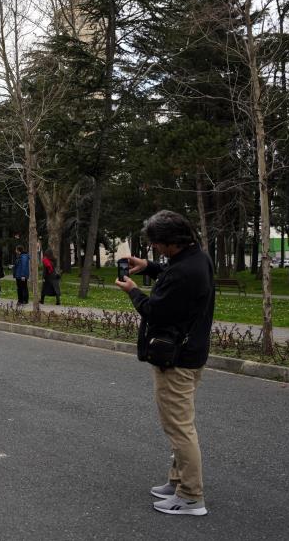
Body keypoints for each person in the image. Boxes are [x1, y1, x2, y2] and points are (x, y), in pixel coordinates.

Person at [114, 210, 214, 517]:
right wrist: (149, 267)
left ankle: (191, 496)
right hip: (190, 352)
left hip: (176, 359)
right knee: (180, 424)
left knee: (179, 428)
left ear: (172, 241)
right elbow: (173, 274)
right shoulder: (196, 259)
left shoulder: (184, 272)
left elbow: (155, 310)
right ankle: (178, 481)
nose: (155, 249)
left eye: (157, 245)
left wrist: (133, 291)